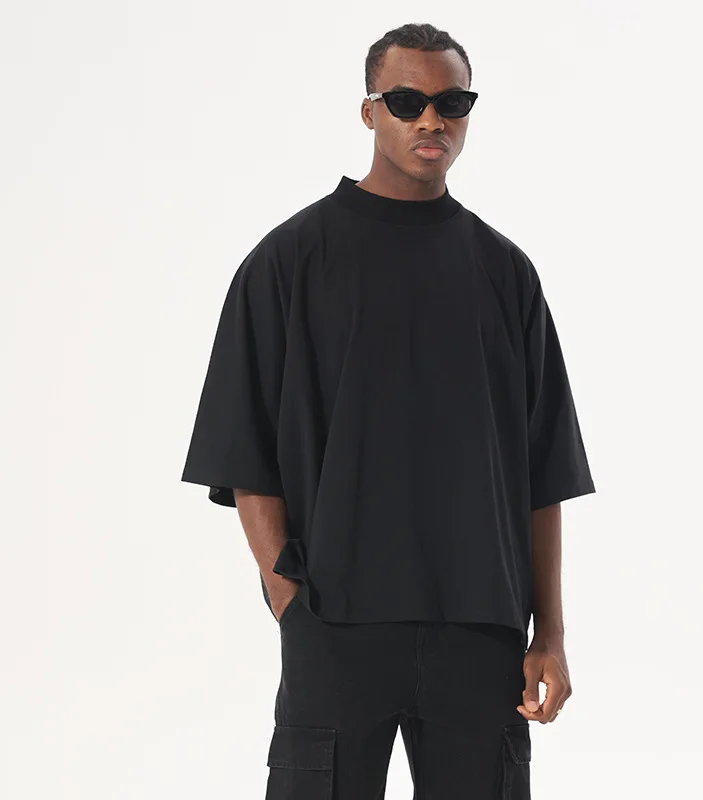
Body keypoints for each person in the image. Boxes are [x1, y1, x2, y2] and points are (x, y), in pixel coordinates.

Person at [181, 21, 595, 800]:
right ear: (369, 111)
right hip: (336, 624)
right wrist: (290, 602)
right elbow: (243, 453)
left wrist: (552, 634)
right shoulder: (288, 261)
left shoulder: (504, 272)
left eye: (451, 102)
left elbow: (544, 472)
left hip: (482, 631)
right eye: (406, 101)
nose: (431, 120)